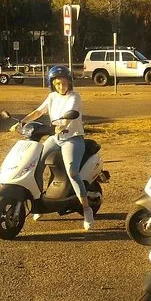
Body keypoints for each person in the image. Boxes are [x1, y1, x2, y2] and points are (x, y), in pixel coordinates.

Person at [11, 65, 94, 230]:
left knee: (72, 172)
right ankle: (38, 203)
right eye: (58, 84)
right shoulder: (51, 97)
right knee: (35, 164)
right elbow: (38, 112)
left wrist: (62, 126)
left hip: (72, 138)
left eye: (64, 83)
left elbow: (71, 114)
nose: (61, 87)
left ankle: (86, 209)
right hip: (55, 138)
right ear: (53, 85)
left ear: (69, 83)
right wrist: (21, 122)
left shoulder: (75, 96)